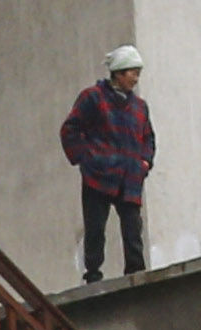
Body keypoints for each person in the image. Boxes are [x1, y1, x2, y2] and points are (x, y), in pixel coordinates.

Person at [60, 47, 154, 284]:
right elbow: (70, 129)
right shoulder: (92, 98)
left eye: (137, 73)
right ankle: (93, 275)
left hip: (130, 177)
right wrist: (85, 158)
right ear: (118, 73)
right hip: (98, 176)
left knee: (133, 229)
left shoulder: (140, 107)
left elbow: (148, 138)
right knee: (95, 229)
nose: (136, 78)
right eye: (133, 72)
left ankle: (135, 271)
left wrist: (144, 163)